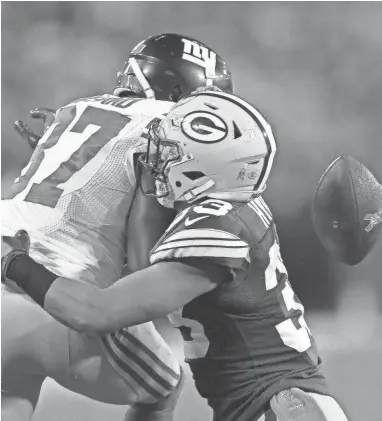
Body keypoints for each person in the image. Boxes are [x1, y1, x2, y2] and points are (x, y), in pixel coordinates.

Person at [2, 89, 349, 421]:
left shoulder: (217, 230)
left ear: (205, 168)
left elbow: (95, 312)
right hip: (263, 401)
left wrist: (14, 262)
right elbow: (141, 264)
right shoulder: (222, 207)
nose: (156, 161)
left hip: (282, 405)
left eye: (170, 153)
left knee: (160, 384)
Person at [1, 33, 233, 421]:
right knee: (163, 387)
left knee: (11, 389)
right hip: (49, 288)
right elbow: (142, 259)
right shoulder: (166, 130)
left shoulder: (76, 108)